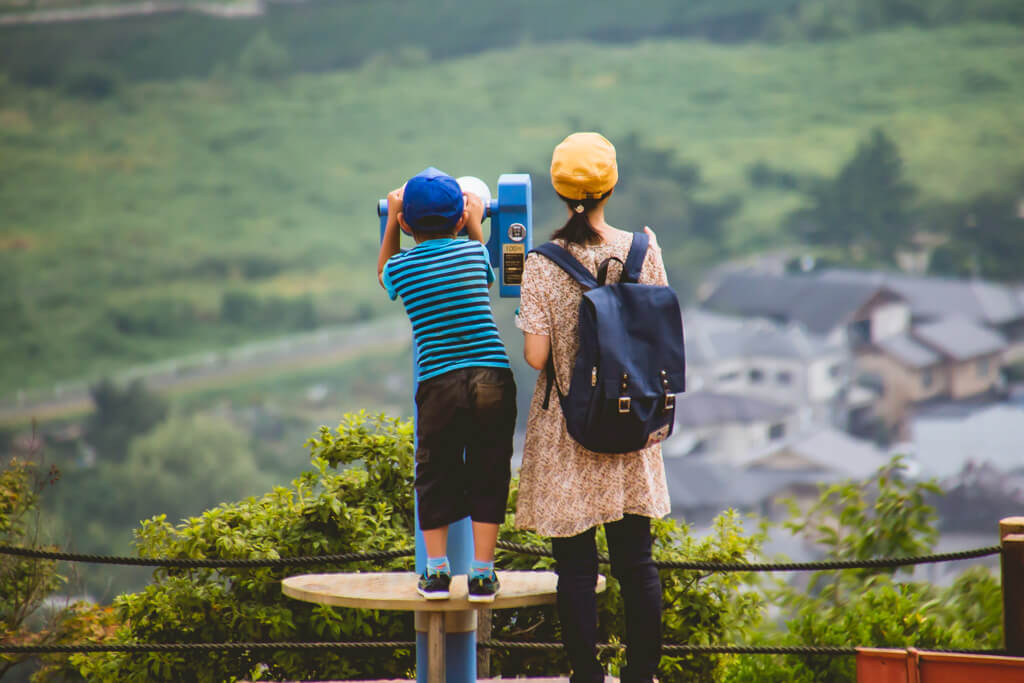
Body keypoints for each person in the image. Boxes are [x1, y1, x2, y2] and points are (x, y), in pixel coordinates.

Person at [514, 133, 671, 683]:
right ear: (612, 185)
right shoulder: (643, 251)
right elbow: (656, 337)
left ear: (560, 191)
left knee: (576, 571)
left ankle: (587, 675)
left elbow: (537, 357)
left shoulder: (540, 262)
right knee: (637, 563)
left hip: (569, 427)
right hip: (630, 418)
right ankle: (641, 675)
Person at [377, 167, 517, 603]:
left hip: (439, 382)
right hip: (492, 375)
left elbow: (383, 272)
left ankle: (436, 573)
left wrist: (392, 221)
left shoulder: (401, 268)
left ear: (404, 223)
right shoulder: (473, 256)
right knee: (489, 468)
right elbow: (487, 263)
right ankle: (482, 574)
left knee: (435, 471)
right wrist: (475, 219)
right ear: (459, 220)